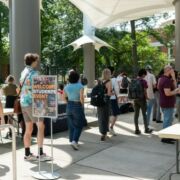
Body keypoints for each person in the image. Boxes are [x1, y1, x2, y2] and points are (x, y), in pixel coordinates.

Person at [20, 53, 51, 161]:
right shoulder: (35, 73)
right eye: (36, 61)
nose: (37, 62)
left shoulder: (23, 72)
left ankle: (27, 154)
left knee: (28, 129)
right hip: (34, 103)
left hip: (23, 103)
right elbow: (41, 89)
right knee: (41, 127)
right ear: (33, 61)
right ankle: (40, 153)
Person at [158, 65, 180, 144]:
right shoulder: (166, 80)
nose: (173, 71)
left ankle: (168, 136)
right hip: (167, 103)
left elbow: (174, 86)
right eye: (172, 70)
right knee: (167, 120)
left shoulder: (164, 79)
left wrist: (174, 77)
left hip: (166, 103)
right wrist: (176, 91)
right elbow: (167, 93)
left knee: (169, 120)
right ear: (168, 70)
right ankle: (165, 138)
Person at [63, 71, 85, 150]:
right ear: (77, 78)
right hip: (77, 105)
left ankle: (72, 140)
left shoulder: (66, 87)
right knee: (79, 124)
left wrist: (68, 103)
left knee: (71, 124)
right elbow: (81, 98)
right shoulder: (80, 86)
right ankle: (74, 141)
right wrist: (82, 105)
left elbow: (63, 97)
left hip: (69, 105)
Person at [133, 69, 153, 135]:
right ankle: (146, 129)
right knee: (144, 114)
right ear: (143, 74)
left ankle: (136, 129)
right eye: (145, 75)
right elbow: (145, 91)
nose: (145, 76)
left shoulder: (134, 80)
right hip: (142, 100)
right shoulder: (143, 81)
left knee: (136, 115)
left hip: (135, 99)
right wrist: (147, 97)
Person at [97, 68, 112, 141]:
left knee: (100, 117)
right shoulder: (109, 82)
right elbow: (109, 93)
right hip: (106, 101)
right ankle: (104, 134)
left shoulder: (99, 81)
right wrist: (112, 93)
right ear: (109, 74)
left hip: (99, 101)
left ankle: (101, 131)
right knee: (106, 117)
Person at [108, 66, 120, 136]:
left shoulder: (102, 79)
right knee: (115, 114)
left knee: (107, 114)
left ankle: (106, 129)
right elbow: (117, 90)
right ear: (113, 72)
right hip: (113, 98)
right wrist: (118, 97)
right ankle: (111, 127)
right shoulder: (114, 79)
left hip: (105, 99)